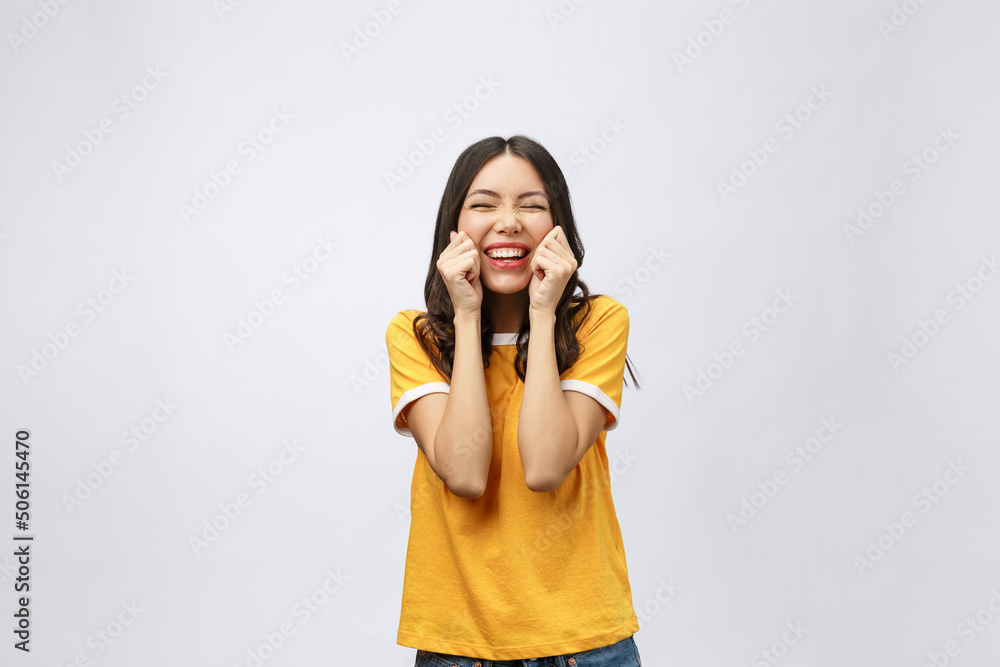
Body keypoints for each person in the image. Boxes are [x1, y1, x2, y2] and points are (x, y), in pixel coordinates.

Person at [386, 134, 643, 666]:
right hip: (458, 650)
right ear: (454, 230)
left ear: (559, 228)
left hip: (584, 645)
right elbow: (466, 474)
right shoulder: (416, 337)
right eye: (483, 205)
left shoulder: (598, 323)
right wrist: (466, 315)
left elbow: (545, 466)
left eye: (532, 205)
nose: (508, 221)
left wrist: (545, 313)